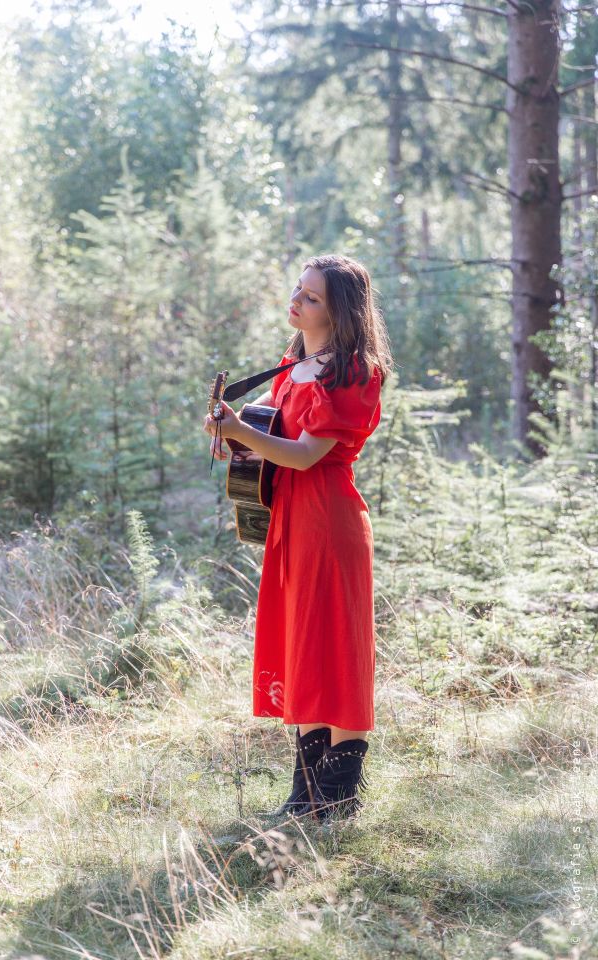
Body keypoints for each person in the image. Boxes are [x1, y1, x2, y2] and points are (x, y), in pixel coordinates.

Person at [203, 253, 394, 822]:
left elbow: (307, 455)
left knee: (337, 649)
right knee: (304, 647)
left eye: (311, 298)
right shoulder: (295, 363)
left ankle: (338, 797)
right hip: (291, 519)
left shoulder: (354, 374)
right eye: (298, 289)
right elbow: (264, 428)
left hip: (330, 521)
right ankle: (305, 795)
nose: (297, 301)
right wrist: (229, 433)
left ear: (339, 312)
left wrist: (242, 430)